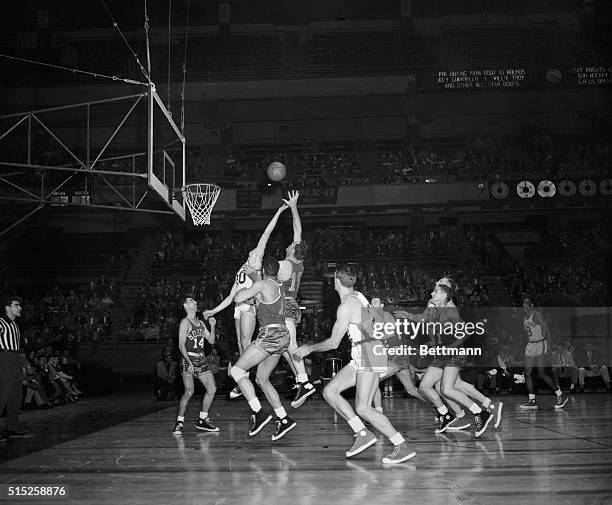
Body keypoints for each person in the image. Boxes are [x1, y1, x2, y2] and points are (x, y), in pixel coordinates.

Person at [295, 264, 415, 465]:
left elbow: (333, 343)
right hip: (363, 351)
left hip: (368, 352)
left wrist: (309, 348)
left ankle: (401, 445)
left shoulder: (346, 307)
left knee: (363, 408)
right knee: (330, 391)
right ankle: (362, 433)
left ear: (336, 281)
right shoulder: (358, 295)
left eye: (333, 278)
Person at [397, 278, 502, 437]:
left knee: (447, 388)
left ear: (447, 291)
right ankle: (452, 413)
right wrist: (409, 315)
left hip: (453, 353)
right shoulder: (434, 304)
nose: (437, 284)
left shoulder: (450, 309)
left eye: (441, 284)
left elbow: (465, 332)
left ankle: (478, 412)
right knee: (427, 385)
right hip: (440, 353)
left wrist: (449, 347)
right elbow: (424, 319)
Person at [204, 205, 288, 399]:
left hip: (250, 305)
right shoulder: (242, 268)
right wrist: (213, 311)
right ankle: (243, 379)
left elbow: (267, 232)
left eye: (256, 251)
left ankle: (244, 380)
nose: (253, 252)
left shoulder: (256, 263)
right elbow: (231, 297)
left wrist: (278, 212)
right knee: (242, 345)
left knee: (246, 342)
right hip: (238, 307)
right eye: (252, 252)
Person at [229, 256, 297, 441]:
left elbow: (238, 297)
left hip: (270, 335)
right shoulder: (277, 286)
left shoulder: (264, 284)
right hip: (282, 336)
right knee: (262, 379)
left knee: (237, 370)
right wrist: (255, 293)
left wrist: (246, 287)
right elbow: (261, 298)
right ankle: (283, 418)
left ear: (265, 271)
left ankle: (259, 413)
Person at [277, 191, 316, 408]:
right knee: (283, 347)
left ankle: (304, 381)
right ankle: (301, 381)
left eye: (292, 243)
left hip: (285, 306)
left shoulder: (286, 265)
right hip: (291, 304)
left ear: (293, 249)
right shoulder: (297, 262)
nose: (290, 243)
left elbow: (297, 232)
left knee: (290, 345)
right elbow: (298, 230)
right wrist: (293, 207)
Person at [172, 297, 219, 435]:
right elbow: (181, 344)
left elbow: (210, 340)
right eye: (192, 301)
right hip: (189, 359)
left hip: (201, 359)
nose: (196, 302)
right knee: (189, 391)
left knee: (212, 389)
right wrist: (190, 362)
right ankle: (179, 422)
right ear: (186, 305)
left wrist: (212, 325)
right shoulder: (185, 322)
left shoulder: (200, 323)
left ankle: (202, 420)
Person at [519, 296, 568, 409]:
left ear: (531, 305)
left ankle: (560, 395)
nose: (523, 305)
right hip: (531, 344)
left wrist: (549, 350)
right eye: (523, 303)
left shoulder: (536, 315)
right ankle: (532, 400)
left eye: (526, 303)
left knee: (541, 373)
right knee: (527, 372)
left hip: (540, 344)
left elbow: (548, 332)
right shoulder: (524, 317)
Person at [0, 296, 30, 441]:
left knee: (16, 395)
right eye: (16, 305)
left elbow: (17, 348)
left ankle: (12, 427)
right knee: (3, 394)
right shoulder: (0, 323)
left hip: (15, 358)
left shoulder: (15, 325)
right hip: (4, 358)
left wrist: (22, 363)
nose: (20, 308)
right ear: (7, 308)